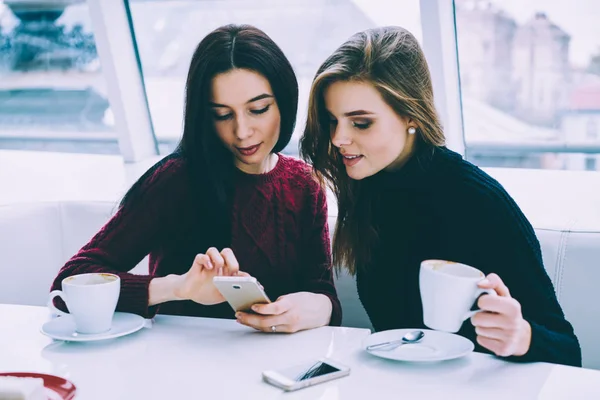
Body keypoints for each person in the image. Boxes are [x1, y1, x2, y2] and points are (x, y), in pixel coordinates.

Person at [300, 26, 581, 366]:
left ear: (411, 117)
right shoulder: (368, 183)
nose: (338, 138)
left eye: (361, 123)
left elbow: (568, 351)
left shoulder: (474, 200)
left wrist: (522, 337)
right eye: (332, 121)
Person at [51, 24, 341, 333]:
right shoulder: (176, 180)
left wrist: (312, 309)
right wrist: (178, 287)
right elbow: (69, 284)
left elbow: (325, 298)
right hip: (181, 369)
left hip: (279, 371)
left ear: (285, 102)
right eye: (222, 115)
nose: (242, 132)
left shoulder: (305, 186)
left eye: (258, 109)